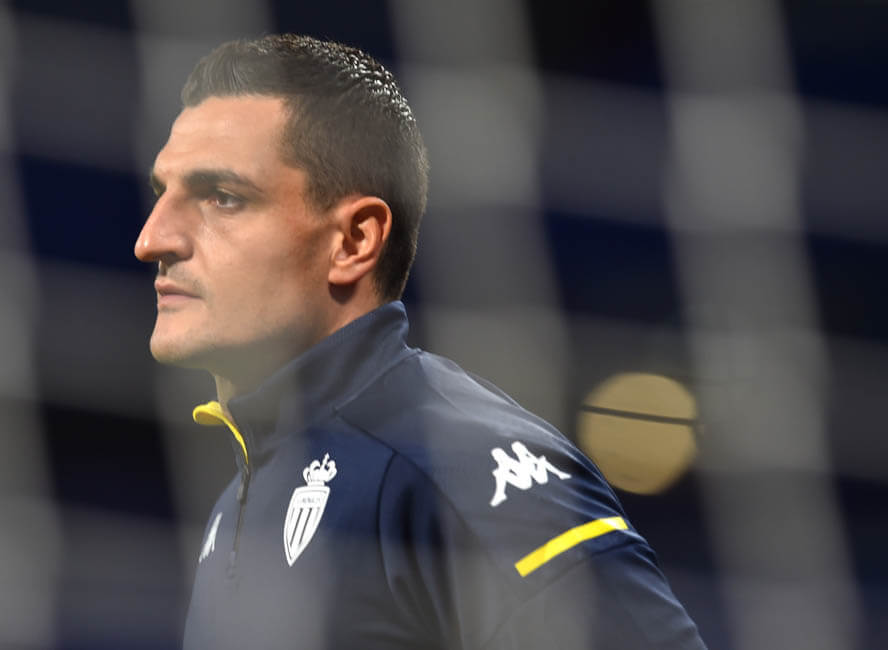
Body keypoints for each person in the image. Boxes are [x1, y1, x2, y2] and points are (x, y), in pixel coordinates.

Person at [135, 34, 706, 650]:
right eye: (162, 194)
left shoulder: (461, 463)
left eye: (223, 198)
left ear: (354, 242)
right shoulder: (239, 497)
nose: (152, 239)